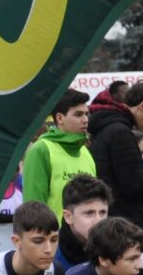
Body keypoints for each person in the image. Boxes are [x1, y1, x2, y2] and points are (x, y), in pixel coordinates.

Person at [88, 82, 143, 237]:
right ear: (142, 105)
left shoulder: (107, 127)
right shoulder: (121, 133)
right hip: (127, 224)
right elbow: (135, 185)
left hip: (115, 219)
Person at [23, 89, 96, 219]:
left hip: (88, 237)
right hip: (55, 237)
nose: (85, 120)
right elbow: (32, 208)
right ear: (60, 118)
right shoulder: (41, 150)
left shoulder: (85, 151)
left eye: (86, 114)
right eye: (78, 115)